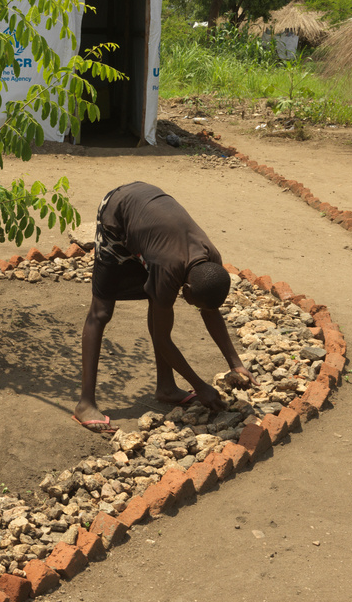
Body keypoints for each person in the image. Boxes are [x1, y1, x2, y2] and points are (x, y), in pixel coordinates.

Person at [72, 181, 254, 433]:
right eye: (193, 304)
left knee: (157, 298)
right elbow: (162, 339)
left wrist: (235, 363)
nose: (195, 307)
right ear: (186, 289)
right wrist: (200, 386)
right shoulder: (168, 269)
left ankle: (166, 387)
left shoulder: (211, 260)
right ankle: (85, 403)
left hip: (149, 219)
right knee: (101, 311)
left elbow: (210, 311)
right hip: (118, 214)